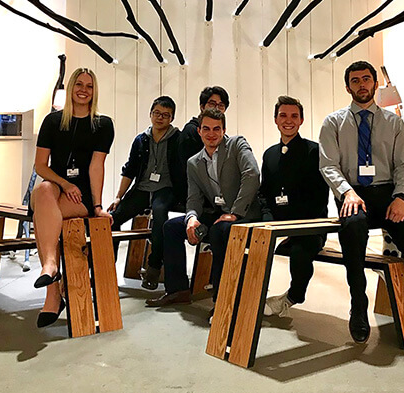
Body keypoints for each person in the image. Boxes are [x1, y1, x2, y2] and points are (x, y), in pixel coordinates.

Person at [318, 60, 404, 355]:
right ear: (348, 87)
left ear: (375, 84)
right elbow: (328, 165)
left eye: (366, 79)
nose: (362, 85)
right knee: (353, 230)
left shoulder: (393, 123)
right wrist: (347, 192)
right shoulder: (333, 123)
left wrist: (402, 197)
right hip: (352, 194)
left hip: (388, 194)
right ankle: (358, 305)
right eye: (355, 81)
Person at [146, 108, 262, 316]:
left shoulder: (237, 145)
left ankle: (221, 300)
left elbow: (252, 174)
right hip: (219, 214)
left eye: (217, 129)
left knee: (219, 231)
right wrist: (191, 218)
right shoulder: (194, 162)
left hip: (244, 214)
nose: (211, 134)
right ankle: (178, 290)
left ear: (224, 130)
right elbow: (194, 198)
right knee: (172, 227)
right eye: (206, 129)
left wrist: (235, 213)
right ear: (199, 131)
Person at [29, 68, 114, 328]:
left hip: (81, 195)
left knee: (43, 216)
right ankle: (51, 265)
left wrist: (97, 206)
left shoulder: (102, 125)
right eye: (79, 84)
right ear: (71, 88)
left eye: (89, 86)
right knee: (42, 191)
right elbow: (40, 166)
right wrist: (65, 184)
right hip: (57, 186)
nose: (83, 90)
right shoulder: (52, 121)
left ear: (94, 91)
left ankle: (52, 293)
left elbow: (96, 166)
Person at [261, 96, 330, 317]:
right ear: (275, 119)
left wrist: (292, 228)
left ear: (301, 120)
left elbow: (319, 198)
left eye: (294, 116)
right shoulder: (269, 155)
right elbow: (265, 194)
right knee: (253, 244)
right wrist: (268, 219)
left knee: (300, 251)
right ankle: (249, 295)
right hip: (278, 226)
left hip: (310, 226)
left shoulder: (314, 152)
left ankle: (294, 296)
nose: (288, 120)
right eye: (283, 115)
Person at [109, 96, 185, 290]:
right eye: (157, 113)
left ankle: (154, 266)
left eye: (165, 115)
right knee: (113, 218)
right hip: (142, 188)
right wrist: (118, 197)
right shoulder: (141, 140)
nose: (160, 118)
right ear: (150, 114)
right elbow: (129, 169)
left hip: (166, 189)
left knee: (160, 215)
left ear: (172, 118)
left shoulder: (178, 139)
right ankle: (107, 266)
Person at [177, 86, 230, 180]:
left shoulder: (227, 138)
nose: (216, 108)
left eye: (221, 105)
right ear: (202, 107)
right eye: (212, 104)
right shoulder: (190, 132)